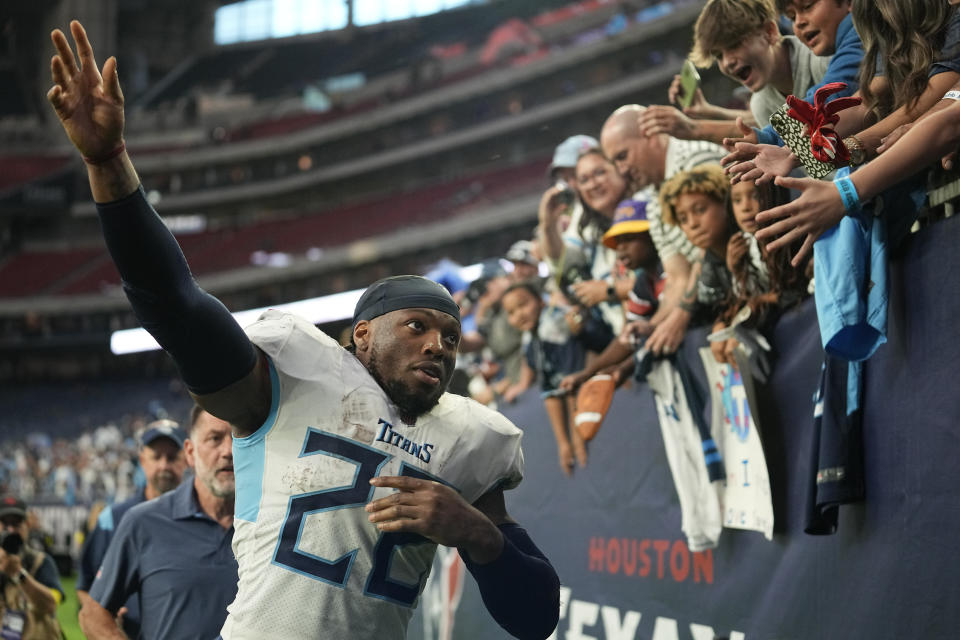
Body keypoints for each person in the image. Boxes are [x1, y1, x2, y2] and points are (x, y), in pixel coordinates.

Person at [48, 21, 559, 640]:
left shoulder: (468, 437)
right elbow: (177, 308)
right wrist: (108, 165)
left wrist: (477, 534)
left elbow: (536, 618)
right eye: (418, 327)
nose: (438, 346)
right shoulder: (290, 379)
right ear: (362, 336)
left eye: (451, 338)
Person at [79, 407, 237, 640]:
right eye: (215, 438)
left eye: (238, 438)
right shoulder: (138, 521)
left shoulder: (274, 523)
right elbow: (93, 613)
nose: (229, 451)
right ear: (191, 453)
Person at [599, 105, 726, 355]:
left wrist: (680, 317)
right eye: (614, 162)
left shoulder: (694, 159)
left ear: (650, 134)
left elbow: (713, 244)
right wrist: (654, 325)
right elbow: (678, 276)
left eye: (622, 156)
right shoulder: (654, 199)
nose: (621, 170)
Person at [644, 0, 832, 144]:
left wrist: (695, 128)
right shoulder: (761, 104)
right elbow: (823, 168)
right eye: (718, 55)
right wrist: (708, 112)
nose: (727, 62)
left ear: (770, 32)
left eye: (734, 44)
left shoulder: (822, 60)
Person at [76, 419, 187, 638]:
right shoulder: (113, 518)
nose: (164, 465)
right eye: (156, 457)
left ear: (187, 460)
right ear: (143, 460)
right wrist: (104, 620)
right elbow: (85, 585)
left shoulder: (203, 519)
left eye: (172, 457)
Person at [501, 280, 587, 475]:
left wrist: (575, 437)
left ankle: (573, 443)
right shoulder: (529, 337)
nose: (519, 314)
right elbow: (547, 386)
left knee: (579, 444)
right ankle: (566, 445)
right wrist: (562, 443)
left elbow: (571, 382)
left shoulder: (555, 323)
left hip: (577, 386)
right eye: (511, 312)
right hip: (560, 386)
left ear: (541, 301)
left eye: (523, 305)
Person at [0, 496, 63, 640]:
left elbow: (51, 605)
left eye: (16, 524)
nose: (11, 530)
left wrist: (20, 574)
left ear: (27, 525)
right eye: (4, 524)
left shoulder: (41, 562)